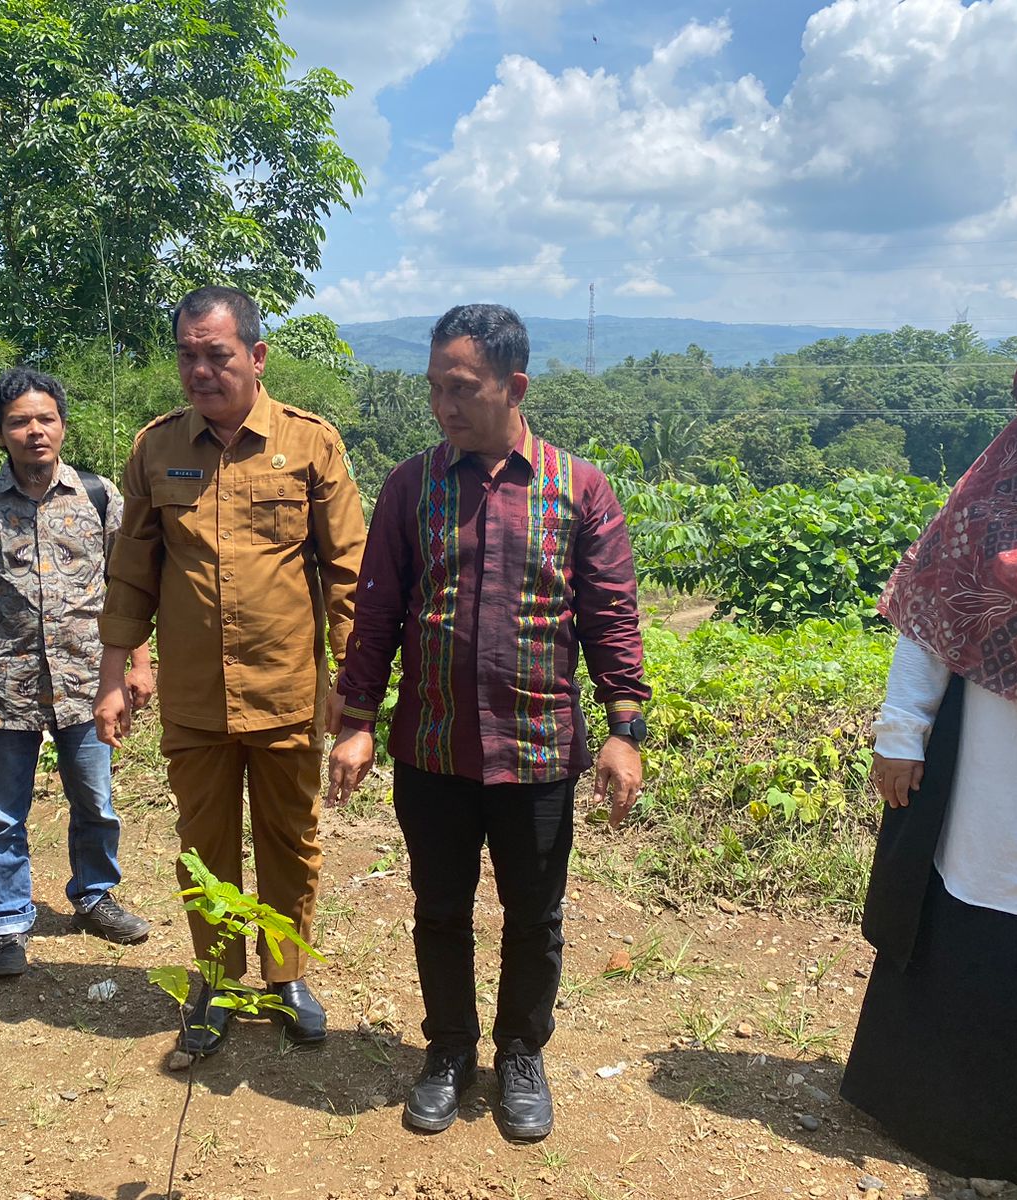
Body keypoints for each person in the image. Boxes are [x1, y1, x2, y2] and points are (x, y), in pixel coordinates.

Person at [327, 304, 649, 1141]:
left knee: (534, 915)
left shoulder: (577, 489)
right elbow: (379, 613)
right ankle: (447, 1050)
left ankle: (519, 1052)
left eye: (461, 389)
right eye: (435, 388)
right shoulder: (412, 486)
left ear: (515, 386)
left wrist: (624, 729)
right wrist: (356, 720)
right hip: (433, 748)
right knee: (439, 907)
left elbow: (612, 618)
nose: (443, 406)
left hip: (539, 750)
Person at [841, 317, 1017, 1194]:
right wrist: (898, 735)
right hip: (987, 763)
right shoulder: (986, 495)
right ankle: (940, 1122)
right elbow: (927, 619)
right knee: (975, 919)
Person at [94, 285, 366, 1055]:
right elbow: (132, 575)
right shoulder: (157, 448)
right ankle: (214, 977)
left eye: (216, 355)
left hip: (286, 689)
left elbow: (348, 572)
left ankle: (286, 978)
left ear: (255, 355)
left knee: (290, 838)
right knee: (203, 843)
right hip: (192, 697)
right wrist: (114, 676)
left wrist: (354, 682)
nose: (200, 371)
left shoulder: (311, 444)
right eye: (187, 355)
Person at [0, 367, 154, 977]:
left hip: (87, 683)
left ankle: (95, 896)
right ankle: (8, 920)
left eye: (45, 418)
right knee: (0, 812)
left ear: (63, 426)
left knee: (96, 803)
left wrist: (138, 666)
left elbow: (131, 587)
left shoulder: (98, 497)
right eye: (19, 421)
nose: (34, 431)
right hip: (2, 684)